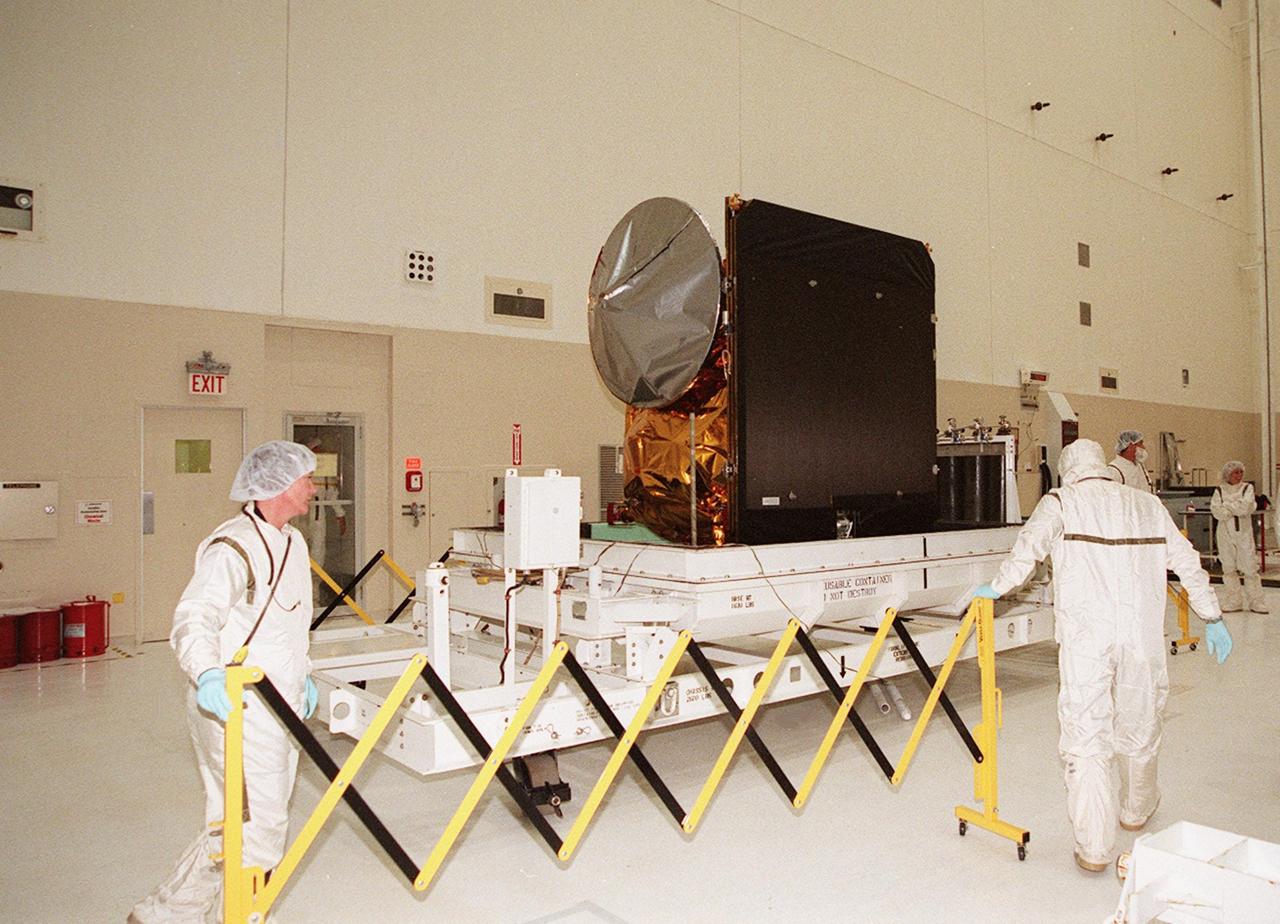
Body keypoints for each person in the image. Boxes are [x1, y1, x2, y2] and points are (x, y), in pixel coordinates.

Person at [972, 439, 1231, 873]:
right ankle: (1135, 810)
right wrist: (1212, 615)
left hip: (1086, 640)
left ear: (1069, 470)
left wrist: (995, 589)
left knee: (1086, 737)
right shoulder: (1145, 504)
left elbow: (1028, 550)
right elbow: (1187, 561)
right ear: (1103, 467)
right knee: (1142, 723)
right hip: (1141, 639)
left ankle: (1093, 848)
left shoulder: (1061, 502)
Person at [130, 441, 319, 923]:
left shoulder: (294, 542)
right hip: (238, 707)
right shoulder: (232, 546)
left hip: (282, 702)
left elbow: (290, 624)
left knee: (235, 822)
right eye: (306, 481)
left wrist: (305, 676)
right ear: (277, 488)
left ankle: (163, 914)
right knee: (258, 826)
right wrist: (207, 672)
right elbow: (195, 615)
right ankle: (243, 917)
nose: (314, 489)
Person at [1212, 460, 1267, 614]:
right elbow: (1216, 511)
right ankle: (1233, 600)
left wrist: (1228, 506)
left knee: (1250, 568)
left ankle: (1256, 602)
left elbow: (1246, 508)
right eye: (1235, 472)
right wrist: (1233, 507)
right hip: (1224, 533)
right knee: (1228, 567)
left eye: (1240, 472)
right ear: (1228, 474)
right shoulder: (1220, 490)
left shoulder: (1247, 488)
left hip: (1243, 533)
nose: (1239, 475)